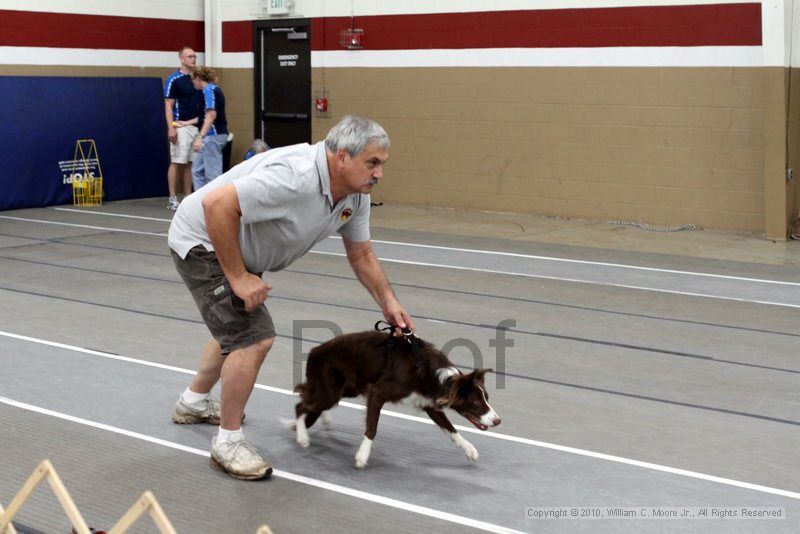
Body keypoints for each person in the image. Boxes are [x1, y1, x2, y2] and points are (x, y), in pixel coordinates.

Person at [167, 115, 415, 480]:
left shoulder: (354, 197)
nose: (378, 174)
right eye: (372, 163)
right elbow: (217, 205)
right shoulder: (296, 177)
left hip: (242, 249)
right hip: (202, 241)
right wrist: (237, 276)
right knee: (254, 337)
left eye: (382, 165)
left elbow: (361, 255)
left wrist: (388, 302)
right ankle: (228, 444)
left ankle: (192, 402)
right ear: (342, 157)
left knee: (234, 329)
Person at [164, 46, 203, 210]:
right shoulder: (174, 79)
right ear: (181, 59)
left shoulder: (198, 78)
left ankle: (188, 197)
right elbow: (168, 104)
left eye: (194, 57)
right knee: (177, 161)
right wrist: (171, 128)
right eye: (189, 57)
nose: (193, 59)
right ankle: (172, 198)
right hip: (181, 126)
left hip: (197, 126)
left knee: (190, 163)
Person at [190, 67, 229, 191]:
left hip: (213, 136)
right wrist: (185, 123)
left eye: (193, 81)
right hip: (211, 136)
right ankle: (199, 202)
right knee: (197, 170)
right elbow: (204, 117)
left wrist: (199, 137)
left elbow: (211, 115)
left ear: (197, 79)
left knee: (213, 175)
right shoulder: (212, 90)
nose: (193, 83)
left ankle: (216, 204)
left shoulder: (209, 90)